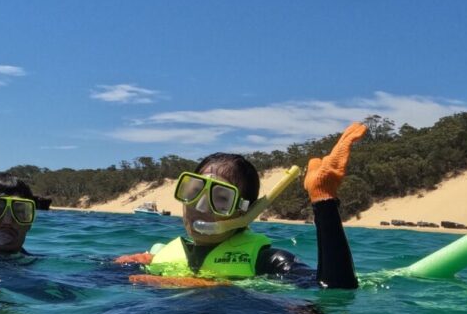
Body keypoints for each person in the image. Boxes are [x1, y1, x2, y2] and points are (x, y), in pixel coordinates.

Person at [115, 122, 366, 289]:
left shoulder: (266, 261)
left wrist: (324, 201)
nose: (200, 206)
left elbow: (334, 289)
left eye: (221, 199)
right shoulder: (162, 256)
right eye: (193, 191)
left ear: (245, 211)